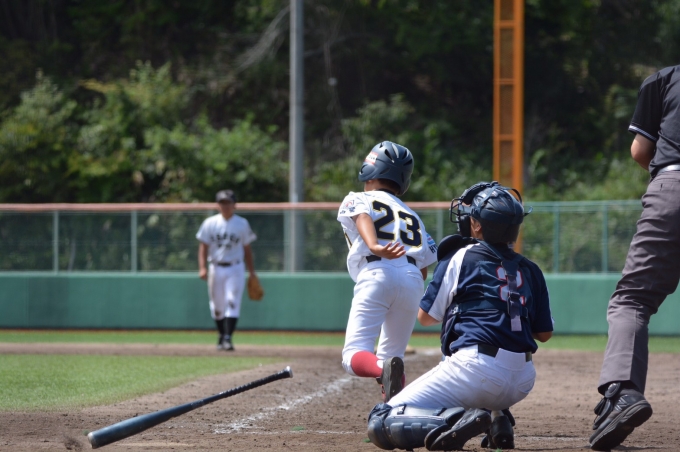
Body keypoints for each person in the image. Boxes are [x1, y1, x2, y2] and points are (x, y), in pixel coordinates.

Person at [366, 181, 554, 451]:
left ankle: (456, 418)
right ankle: (498, 418)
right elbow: (544, 334)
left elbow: (426, 317)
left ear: (476, 225)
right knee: (473, 347)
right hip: (523, 380)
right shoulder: (531, 269)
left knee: (381, 419)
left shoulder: (461, 256)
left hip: (476, 371)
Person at [588, 66, 680, 451]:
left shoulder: (665, 79)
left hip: (673, 185)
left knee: (632, 300)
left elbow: (641, 151)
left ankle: (623, 391)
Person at [337, 141, 438, 402]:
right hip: (413, 280)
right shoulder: (413, 215)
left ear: (369, 171)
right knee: (394, 356)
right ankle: (393, 411)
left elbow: (362, 215)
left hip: (376, 271)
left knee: (353, 355)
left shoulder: (359, 197)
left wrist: (374, 245)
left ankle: (382, 369)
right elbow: (424, 268)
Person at [196, 189, 258, 352]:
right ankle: (222, 334)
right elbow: (203, 247)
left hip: (236, 267)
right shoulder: (210, 223)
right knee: (217, 306)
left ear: (234, 205)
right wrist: (202, 267)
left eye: (228, 202)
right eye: (222, 203)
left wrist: (252, 272)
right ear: (218, 205)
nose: (225, 206)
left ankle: (228, 337)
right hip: (215, 267)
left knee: (232, 301)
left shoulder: (242, 223)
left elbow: (247, 249)